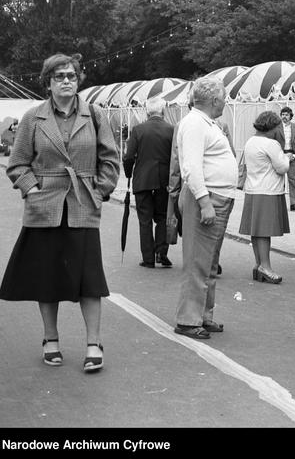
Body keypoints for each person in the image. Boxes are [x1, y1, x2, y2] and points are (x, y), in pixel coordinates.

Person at [0, 53, 119, 372]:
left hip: (83, 204)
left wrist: (100, 189)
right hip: (44, 207)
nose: (66, 80)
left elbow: (110, 160)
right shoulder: (33, 117)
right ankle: (50, 338)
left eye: (71, 75)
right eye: (59, 76)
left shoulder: (94, 115)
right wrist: (33, 190)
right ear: (48, 83)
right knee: (47, 277)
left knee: (89, 279)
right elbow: (17, 164)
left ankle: (93, 343)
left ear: (79, 79)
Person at [173, 76, 237, 340]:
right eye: (223, 98)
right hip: (207, 197)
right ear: (213, 100)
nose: (225, 103)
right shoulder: (195, 124)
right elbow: (191, 166)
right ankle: (188, 320)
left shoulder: (204, 122)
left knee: (209, 262)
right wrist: (204, 202)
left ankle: (202, 315)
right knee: (198, 262)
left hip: (216, 196)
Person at [238, 110, 291, 283]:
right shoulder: (271, 144)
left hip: (253, 189)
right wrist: (287, 157)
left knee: (257, 231)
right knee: (265, 232)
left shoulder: (250, 142)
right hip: (268, 190)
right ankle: (266, 267)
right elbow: (282, 167)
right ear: (272, 127)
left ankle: (259, 264)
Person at [123, 97, 174, 268]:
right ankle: (161, 251)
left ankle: (148, 258)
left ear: (147, 111)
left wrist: (129, 174)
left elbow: (129, 156)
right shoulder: (171, 130)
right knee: (161, 217)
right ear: (163, 111)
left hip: (143, 179)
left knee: (144, 220)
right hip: (164, 180)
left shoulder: (138, 130)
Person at [275, 106, 295, 211]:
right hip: (280, 156)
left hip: (291, 156)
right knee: (279, 180)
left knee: (292, 180)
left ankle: (294, 203)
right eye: (282, 114)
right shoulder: (277, 127)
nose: (284, 116)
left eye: (286, 115)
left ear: (291, 116)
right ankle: (279, 204)